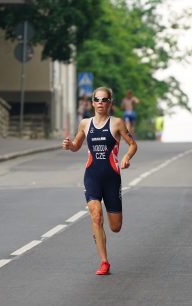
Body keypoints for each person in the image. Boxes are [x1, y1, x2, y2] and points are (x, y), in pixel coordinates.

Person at [62, 86, 137, 275]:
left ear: (110, 102)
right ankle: (104, 262)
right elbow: (77, 146)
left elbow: (133, 145)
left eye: (105, 100)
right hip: (92, 176)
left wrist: (127, 157)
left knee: (116, 226)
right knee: (96, 215)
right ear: (93, 102)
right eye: (97, 99)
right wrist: (70, 145)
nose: (101, 103)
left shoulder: (117, 123)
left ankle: (103, 237)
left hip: (112, 178)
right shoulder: (85, 124)